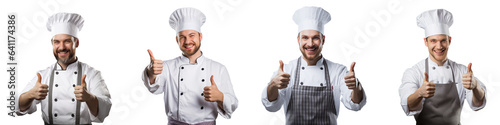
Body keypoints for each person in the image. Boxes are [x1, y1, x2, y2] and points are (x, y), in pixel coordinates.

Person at [261, 6, 366, 125]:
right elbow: (271, 106)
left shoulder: (338, 71)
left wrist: (356, 86)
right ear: (298, 40)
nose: (310, 44)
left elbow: (355, 105)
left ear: (323, 40)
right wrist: (272, 86)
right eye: (305, 37)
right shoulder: (286, 70)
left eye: (315, 38)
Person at [142, 7, 238, 125]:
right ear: (177, 40)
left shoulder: (218, 68)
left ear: (200, 37)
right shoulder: (167, 67)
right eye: (182, 37)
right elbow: (154, 87)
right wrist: (150, 72)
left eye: (192, 35)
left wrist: (221, 97)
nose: (187, 41)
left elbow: (233, 104)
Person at [16, 12, 112, 124]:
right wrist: (30, 94)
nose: (61, 47)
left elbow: (104, 110)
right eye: (57, 42)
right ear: (52, 44)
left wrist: (89, 98)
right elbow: (17, 107)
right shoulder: (43, 75)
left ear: (76, 43)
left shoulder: (92, 74)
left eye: (67, 41)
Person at [399, 9, 486, 125]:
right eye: (433, 41)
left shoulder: (462, 71)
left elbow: (478, 104)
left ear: (449, 41)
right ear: (426, 42)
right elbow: (408, 105)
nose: (439, 46)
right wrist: (419, 93)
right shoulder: (414, 72)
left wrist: (475, 87)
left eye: (443, 41)